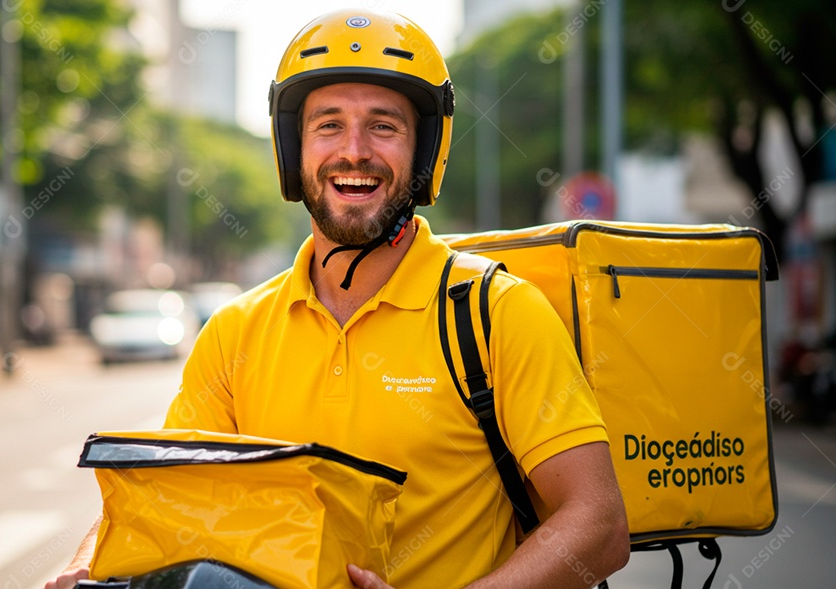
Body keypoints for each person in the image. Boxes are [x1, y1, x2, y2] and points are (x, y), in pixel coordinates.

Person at [47, 9, 629, 589]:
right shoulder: (233, 332)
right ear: (292, 150)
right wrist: (84, 566)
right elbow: (165, 501)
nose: (354, 151)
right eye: (328, 125)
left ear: (424, 152)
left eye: (383, 126)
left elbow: (598, 523)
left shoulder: (497, 312)